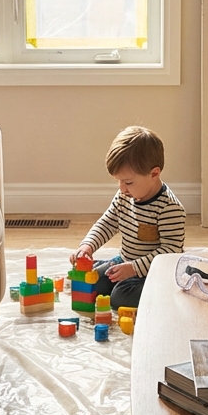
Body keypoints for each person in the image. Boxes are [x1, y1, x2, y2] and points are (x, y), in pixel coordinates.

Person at [71, 126, 186, 310]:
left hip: (154, 271)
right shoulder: (124, 196)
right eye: (119, 181)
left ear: (154, 174)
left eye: (128, 182)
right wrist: (88, 245)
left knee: (120, 297)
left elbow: (170, 252)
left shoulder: (169, 208)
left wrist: (134, 268)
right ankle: (109, 268)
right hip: (126, 260)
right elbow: (107, 222)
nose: (122, 188)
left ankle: (167, 292)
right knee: (90, 285)